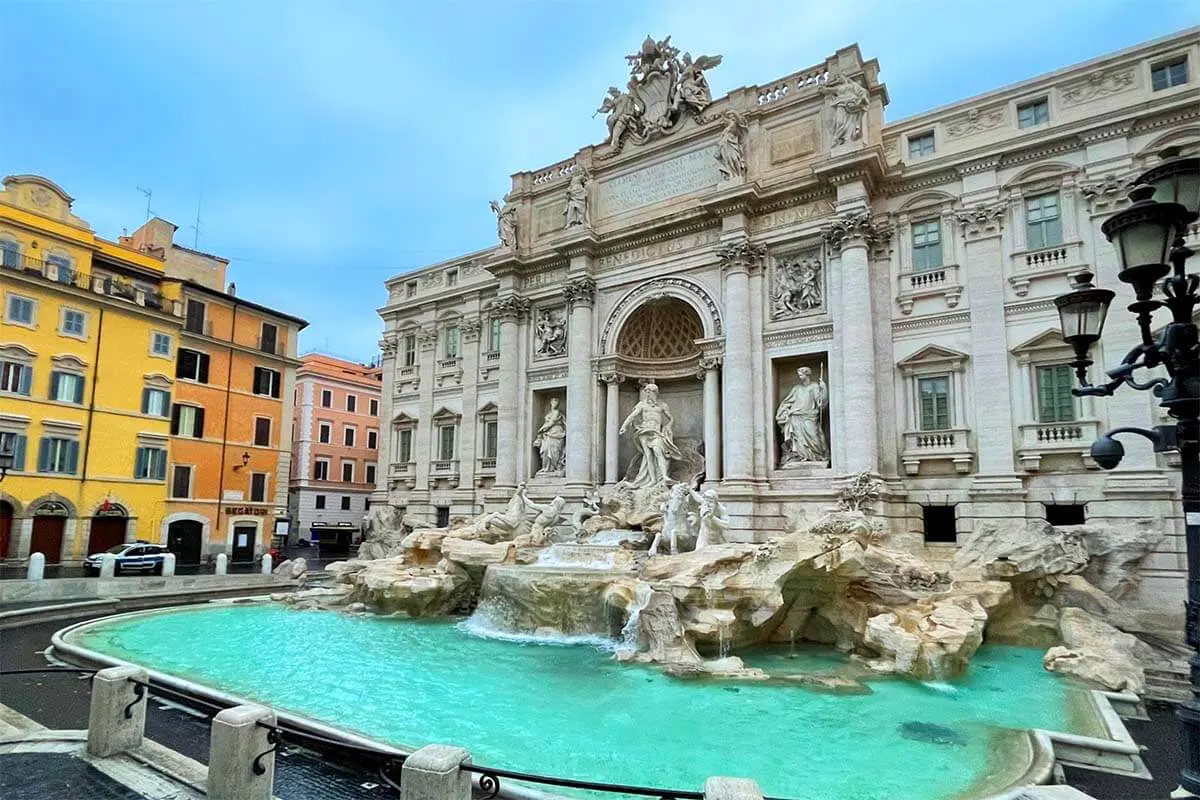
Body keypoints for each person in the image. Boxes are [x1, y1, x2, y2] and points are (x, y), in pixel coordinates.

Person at [618, 383, 681, 486]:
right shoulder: (642, 405)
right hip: (644, 431)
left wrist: (669, 426)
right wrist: (624, 426)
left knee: (658, 451)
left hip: (656, 432)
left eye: (649, 391)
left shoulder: (662, 405)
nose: (647, 393)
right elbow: (632, 416)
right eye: (646, 391)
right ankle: (653, 480)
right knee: (648, 456)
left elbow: (671, 418)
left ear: (654, 392)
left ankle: (664, 476)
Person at [775, 367, 830, 466]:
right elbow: (787, 401)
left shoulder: (814, 386)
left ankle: (816, 456)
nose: (800, 377)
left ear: (807, 375)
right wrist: (785, 411)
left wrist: (824, 388)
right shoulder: (796, 388)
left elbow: (820, 403)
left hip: (809, 416)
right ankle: (800, 457)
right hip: (796, 416)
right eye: (799, 375)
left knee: (813, 435)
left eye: (801, 375)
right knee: (798, 439)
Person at [534, 398, 566, 475]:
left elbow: (552, 422)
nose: (555, 404)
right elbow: (547, 423)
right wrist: (543, 431)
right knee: (545, 450)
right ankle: (546, 468)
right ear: (551, 403)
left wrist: (541, 429)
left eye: (557, 403)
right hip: (548, 434)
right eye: (554, 402)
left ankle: (555, 467)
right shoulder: (548, 413)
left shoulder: (557, 412)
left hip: (557, 432)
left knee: (555, 450)